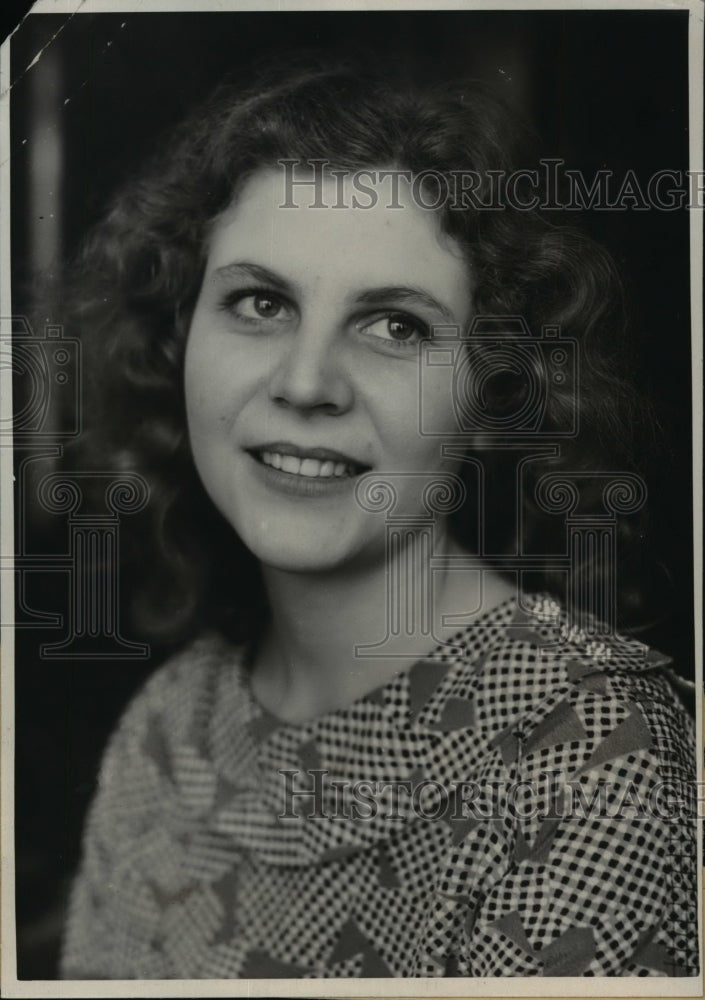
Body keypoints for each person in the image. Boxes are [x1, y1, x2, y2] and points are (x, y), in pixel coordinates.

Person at [59, 59, 697, 979]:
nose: (307, 383)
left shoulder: (588, 757)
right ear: (179, 338)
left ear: (493, 395)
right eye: (260, 302)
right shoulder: (166, 734)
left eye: (395, 326)